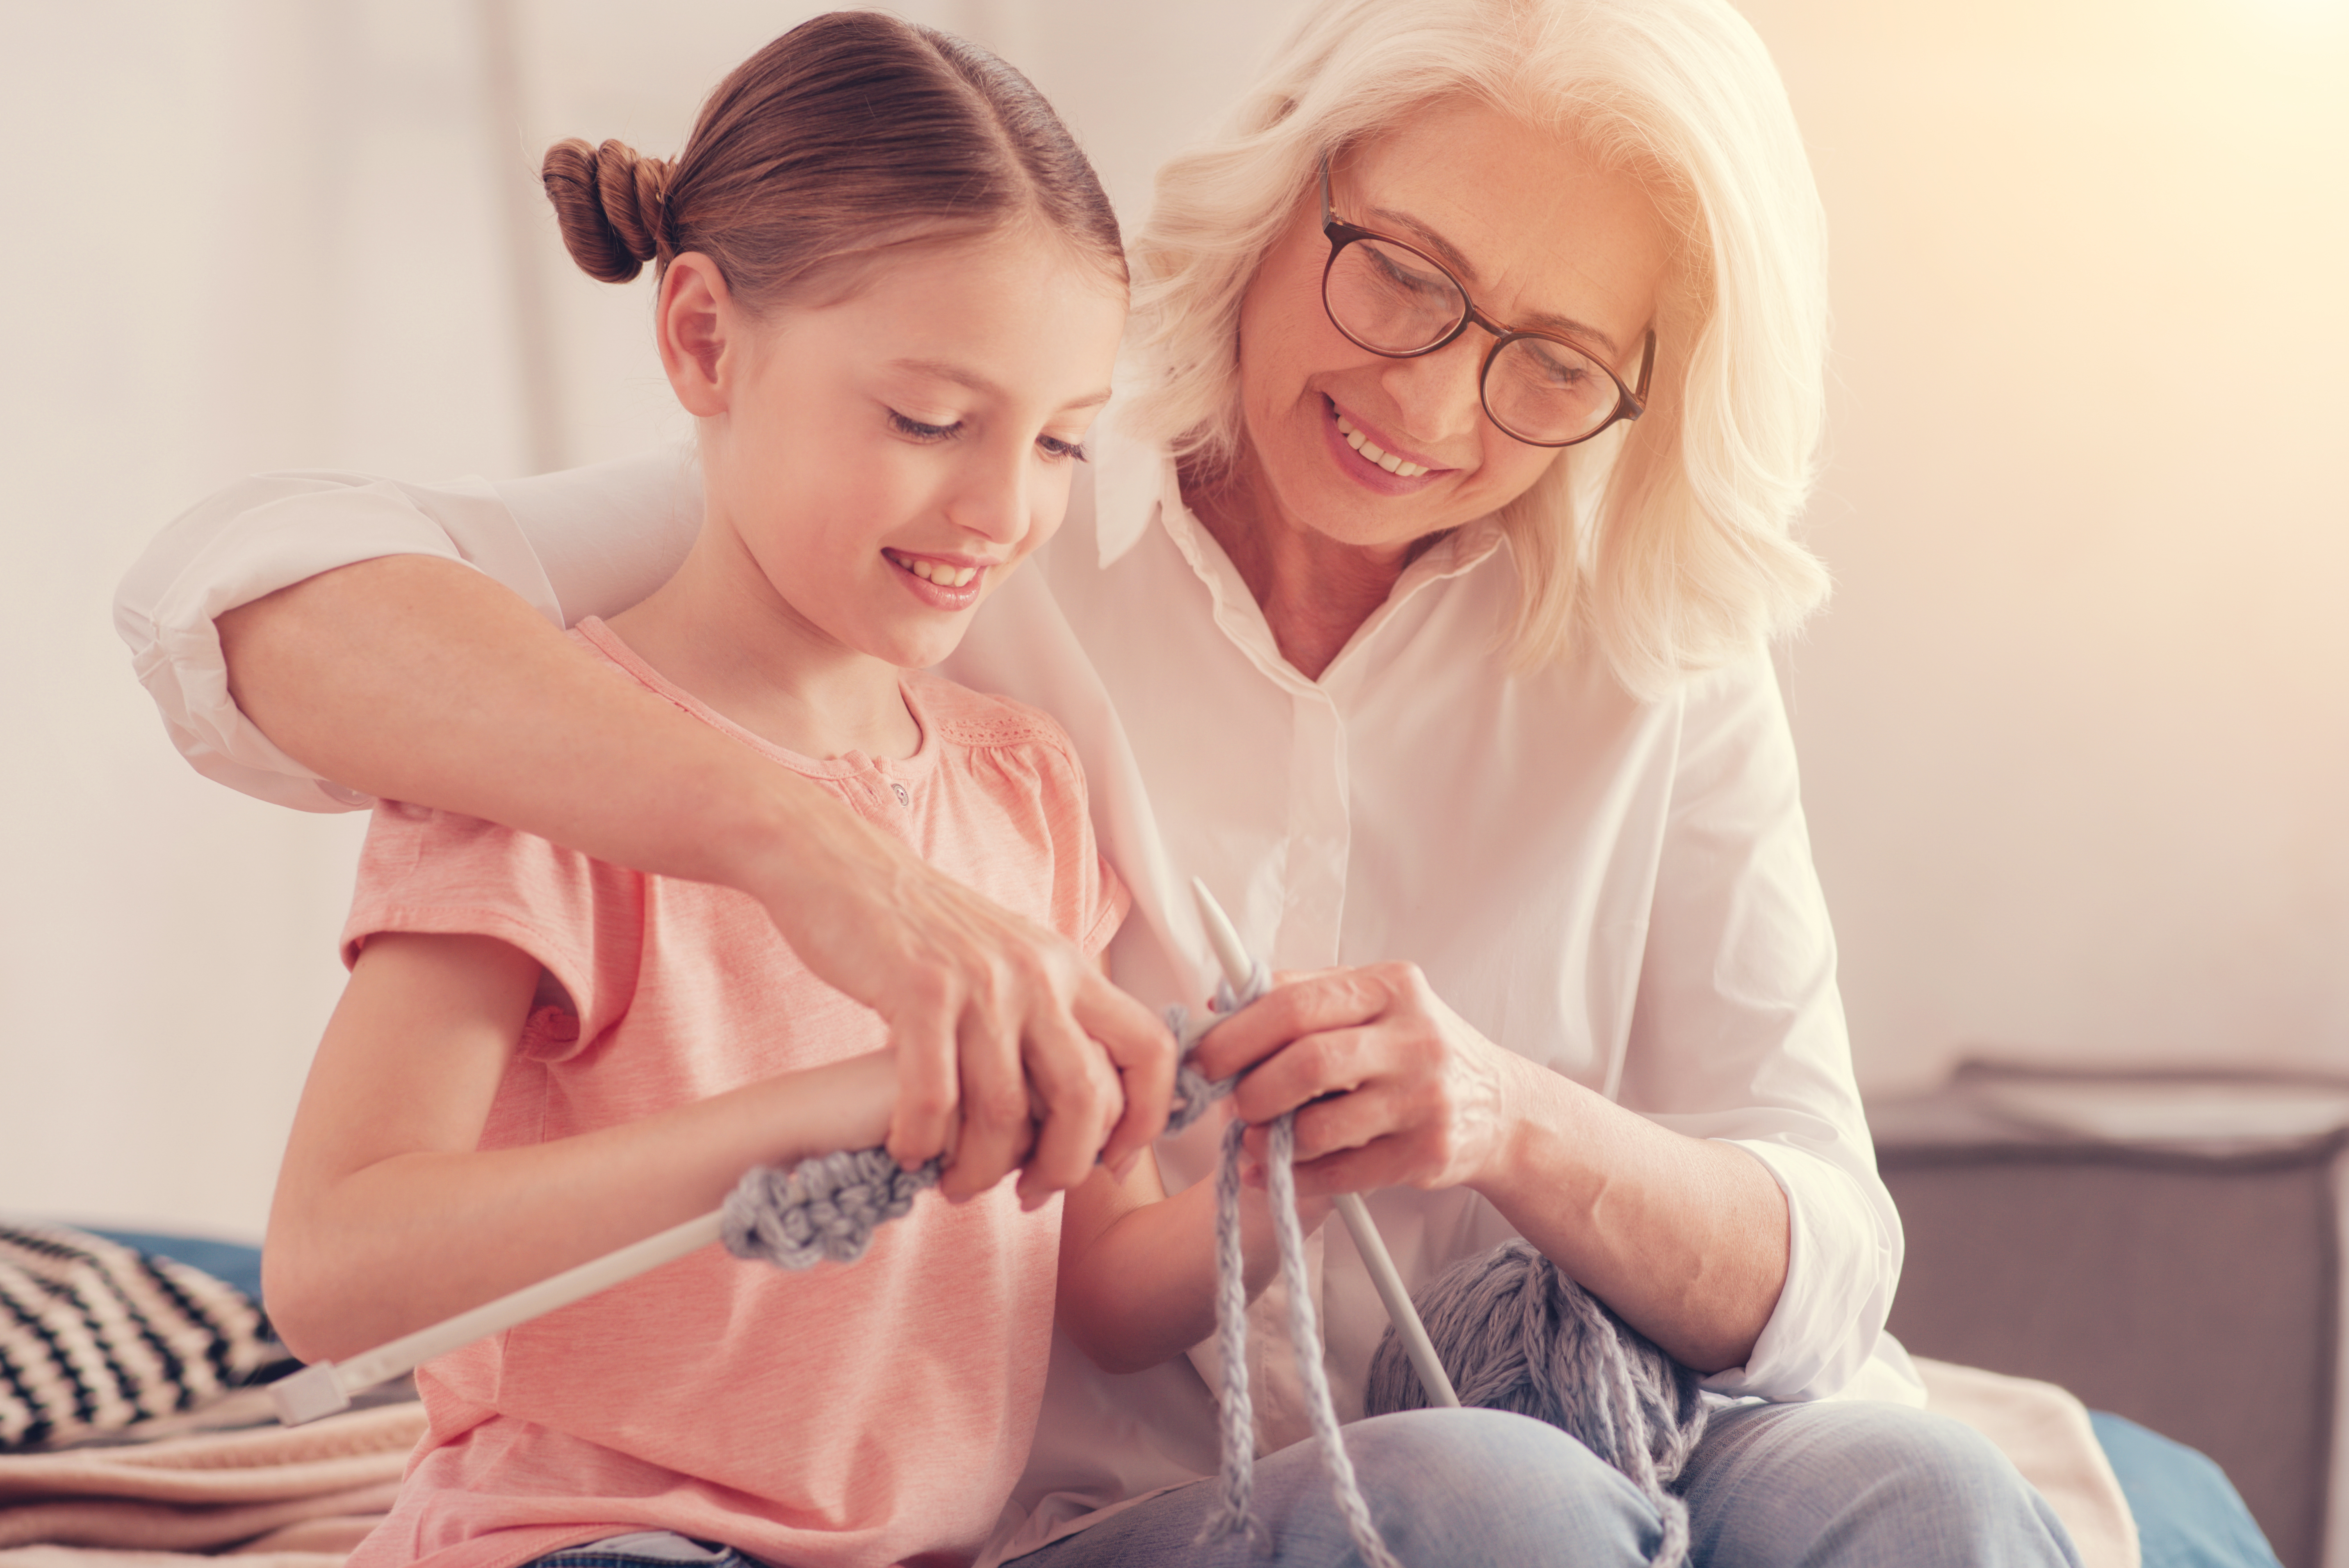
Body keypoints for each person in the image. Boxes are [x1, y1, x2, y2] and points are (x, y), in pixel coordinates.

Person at [122, 0, 2094, 1563]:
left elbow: (1818, 1256)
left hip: (1570, 1415)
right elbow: (259, 594)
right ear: (1288, 190)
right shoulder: (939, 523)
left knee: (1912, 1503)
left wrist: (1474, 1120)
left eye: (1553, 360)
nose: (1426, 399)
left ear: (1637, 392)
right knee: (1498, 1507)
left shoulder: (1624, 652)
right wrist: (816, 860)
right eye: (1400, 273)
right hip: (1125, 1497)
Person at [259, 16, 1163, 1568]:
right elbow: (334, 1266)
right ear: (701, 338)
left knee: (1472, 1492)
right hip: (604, 1534)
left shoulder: (1029, 784)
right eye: (930, 421)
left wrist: (1305, 1151)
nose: (1004, 508)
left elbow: (1103, 1286)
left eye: (1063, 440)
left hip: (961, 1544)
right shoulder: (537, 762)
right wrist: (820, 1117)